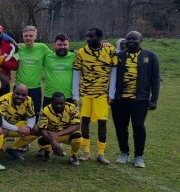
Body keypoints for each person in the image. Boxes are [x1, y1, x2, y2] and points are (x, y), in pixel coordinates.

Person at [112, 31, 160, 168]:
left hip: (140, 100)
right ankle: (124, 153)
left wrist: (154, 99)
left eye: (134, 39)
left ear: (141, 40)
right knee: (120, 127)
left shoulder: (150, 56)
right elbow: (111, 77)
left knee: (138, 126)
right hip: (120, 100)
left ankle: (139, 156)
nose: (131, 41)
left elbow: (155, 79)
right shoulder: (118, 56)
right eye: (128, 39)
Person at [72, 27, 117, 165]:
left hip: (101, 94)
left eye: (91, 36)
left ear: (99, 37)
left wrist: (111, 94)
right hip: (85, 93)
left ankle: (101, 153)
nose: (88, 39)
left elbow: (113, 73)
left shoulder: (110, 51)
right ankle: (86, 152)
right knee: (84, 121)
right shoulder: (81, 52)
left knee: (102, 122)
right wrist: (75, 95)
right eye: (87, 36)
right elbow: (76, 74)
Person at [37, 92, 82, 166]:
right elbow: (42, 129)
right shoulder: (45, 110)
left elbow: (77, 125)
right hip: (52, 136)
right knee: (42, 140)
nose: (59, 106)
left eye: (61, 103)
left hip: (66, 135)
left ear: (65, 102)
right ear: (51, 102)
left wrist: (58, 134)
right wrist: (52, 141)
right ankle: (47, 151)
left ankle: (73, 155)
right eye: (56, 103)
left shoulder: (71, 107)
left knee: (78, 136)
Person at [15, 25, 51, 116]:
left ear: (35, 36)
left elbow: (54, 57)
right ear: (23, 36)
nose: (28, 38)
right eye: (26, 36)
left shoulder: (42, 48)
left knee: (34, 114)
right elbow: (11, 61)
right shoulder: (18, 48)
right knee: (17, 114)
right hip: (19, 87)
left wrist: (72, 53)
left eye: (31, 36)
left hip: (35, 88)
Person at [0, 84, 38, 163]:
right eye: (17, 94)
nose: (20, 97)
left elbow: (31, 117)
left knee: (35, 128)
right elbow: (0, 121)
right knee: (1, 131)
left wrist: (28, 127)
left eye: (23, 95)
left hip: (13, 126)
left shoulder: (28, 100)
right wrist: (17, 129)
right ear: (13, 92)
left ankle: (13, 148)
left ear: (27, 95)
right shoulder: (4, 100)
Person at [42, 33, 76, 107]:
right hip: (50, 96)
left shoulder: (75, 56)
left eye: (65, 45)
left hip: (69, 96)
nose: (62, 47)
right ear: (54, 45)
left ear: (68, 45)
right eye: (59, 45)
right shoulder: (46, 57)